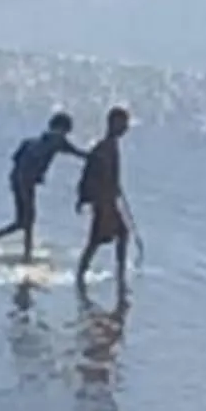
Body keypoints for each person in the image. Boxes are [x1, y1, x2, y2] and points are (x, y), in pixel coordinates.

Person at [0, 112, 82, 263]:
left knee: (23, 220)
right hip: (26, 181)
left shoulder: (31, 141)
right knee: (28, 219)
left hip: (17, 179)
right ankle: (26, 254)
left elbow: (15, 158)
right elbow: (78, 153)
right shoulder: (57, 140)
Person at [75, 105, 136, 296]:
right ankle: (82, 274)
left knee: (122, 234)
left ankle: (118, 273)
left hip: (109, 201)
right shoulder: (103, 147)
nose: (125, 128)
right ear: (113, 123)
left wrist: (115, 187)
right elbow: (89, 174)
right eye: (122, 124)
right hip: (103, 203)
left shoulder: (111, 146)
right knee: (96, 240)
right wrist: (86, 197)